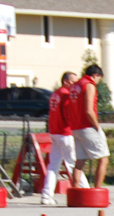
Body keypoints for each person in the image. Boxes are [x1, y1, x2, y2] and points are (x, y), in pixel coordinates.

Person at [41, 71, 81, 205]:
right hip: (65, 133)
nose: (75, 85)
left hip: (55, 132)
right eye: (73, 82)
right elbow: (68, 114)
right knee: (74, 164)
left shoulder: (55, 94)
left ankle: (46, 196)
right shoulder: (66, 95)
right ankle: (84, 192)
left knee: (53, 166)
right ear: (65, 81)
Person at [67, 63, 110, 189]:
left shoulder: (75, 86)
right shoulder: (89, 85)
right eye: (98, 79)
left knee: (79, 162)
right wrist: (97, 127)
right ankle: (97, 191)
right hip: (87, 126)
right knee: (103, 159)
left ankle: (75, 191)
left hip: (76, 127)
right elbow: (88, 110)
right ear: (95, 75)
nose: (97, 82)